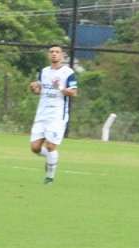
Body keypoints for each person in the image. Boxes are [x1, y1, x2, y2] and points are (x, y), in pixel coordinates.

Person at [28, 44, 78, 184]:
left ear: (62, 55)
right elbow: (40, 91)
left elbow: (74, 92)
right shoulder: (44, 71)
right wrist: (33, 88)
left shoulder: (68, 73)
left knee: (50, 145)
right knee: (35, 148)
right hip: (41, 114)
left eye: (57, 52)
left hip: (57, 115)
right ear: (48, 55)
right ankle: (51, 158)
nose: (54, 54)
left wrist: (61, 87)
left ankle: (49, 176)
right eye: (51, 52)